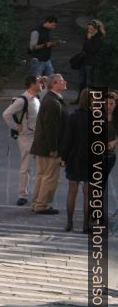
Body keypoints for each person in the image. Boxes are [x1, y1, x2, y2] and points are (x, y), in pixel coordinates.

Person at [29, 73, 69, 214]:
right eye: (61, 81)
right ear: (53, 84)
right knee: (50, 177)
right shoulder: (52, 102)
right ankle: (42, 205)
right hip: (48, 147)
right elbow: (51, 127)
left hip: (42, 146)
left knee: (41, 175)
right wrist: (54, 148)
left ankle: (36, 203)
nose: (64, 82)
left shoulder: (52, 99)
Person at [1, 75, 43, 206]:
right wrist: (15, 126)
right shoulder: (22, 100)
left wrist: (44, 79)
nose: (41, 84)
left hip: (37, 135)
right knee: (26, 166)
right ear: (32, 84)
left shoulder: (36, 98)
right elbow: (6, 114)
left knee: (40, 166)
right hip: (26, 136)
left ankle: (37, 194)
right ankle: (22, 195)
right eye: (39, 82)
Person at [61, 89, 92, 233]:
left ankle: (69, 223)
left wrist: (64, 158)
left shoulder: (73, 117)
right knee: (88, 194)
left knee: (71, 192)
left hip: (74, 158)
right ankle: (86, 225)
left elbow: (67, 140)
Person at [75, 19, 105, 100]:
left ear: (96, 29)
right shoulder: (87, 35)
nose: (89, 30)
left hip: (91, 62)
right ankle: (80, 99)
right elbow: (85, 48)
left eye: (91, 29)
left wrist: (89, 39)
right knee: (81, 81)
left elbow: (93, 49)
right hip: (84, 61)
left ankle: (92, 100)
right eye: (88, 29)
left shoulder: (98, 37)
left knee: (89, 82)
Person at [107, 92, 117, 177]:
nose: (109, 106)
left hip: (110, 156)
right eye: (106, 103)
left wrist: (115, 142)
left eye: (111, 104)